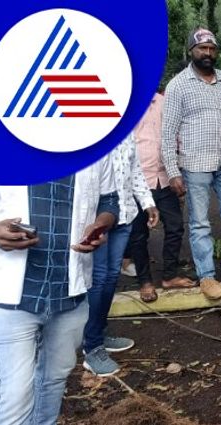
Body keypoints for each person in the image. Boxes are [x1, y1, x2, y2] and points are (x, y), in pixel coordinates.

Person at [0, 157, 119, 425]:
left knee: (55, 375)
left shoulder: (95, 141)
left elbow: (110, 200)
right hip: (11, 293)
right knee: (14, 395)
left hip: (69, 289)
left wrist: (101, 224)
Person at [161, 27, 221, 300]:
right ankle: (205, 275)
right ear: (191, 51)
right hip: (194, 165)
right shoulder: (178, 85)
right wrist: (172, 171)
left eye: (212, 49)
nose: (207, 53)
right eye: (202, 48)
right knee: (200, 223)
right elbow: (167, 132)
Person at [83, 134, 159, 377]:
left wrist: (148, 204)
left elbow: (135, 172)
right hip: (96, 219)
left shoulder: (125, 134)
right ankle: (92, 347)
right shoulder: (85, 135)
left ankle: (99, 333)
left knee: (111, 277)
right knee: (98, 280)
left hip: (124, 215)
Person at [128, 91, 197, 303]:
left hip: (165, 177)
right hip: (137, 179)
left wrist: (179, 171)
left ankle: (169, 275)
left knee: (175, 226)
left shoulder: (165, 102)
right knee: (139, 235)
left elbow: (176, 135)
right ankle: (145, 282)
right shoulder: (126, 103)